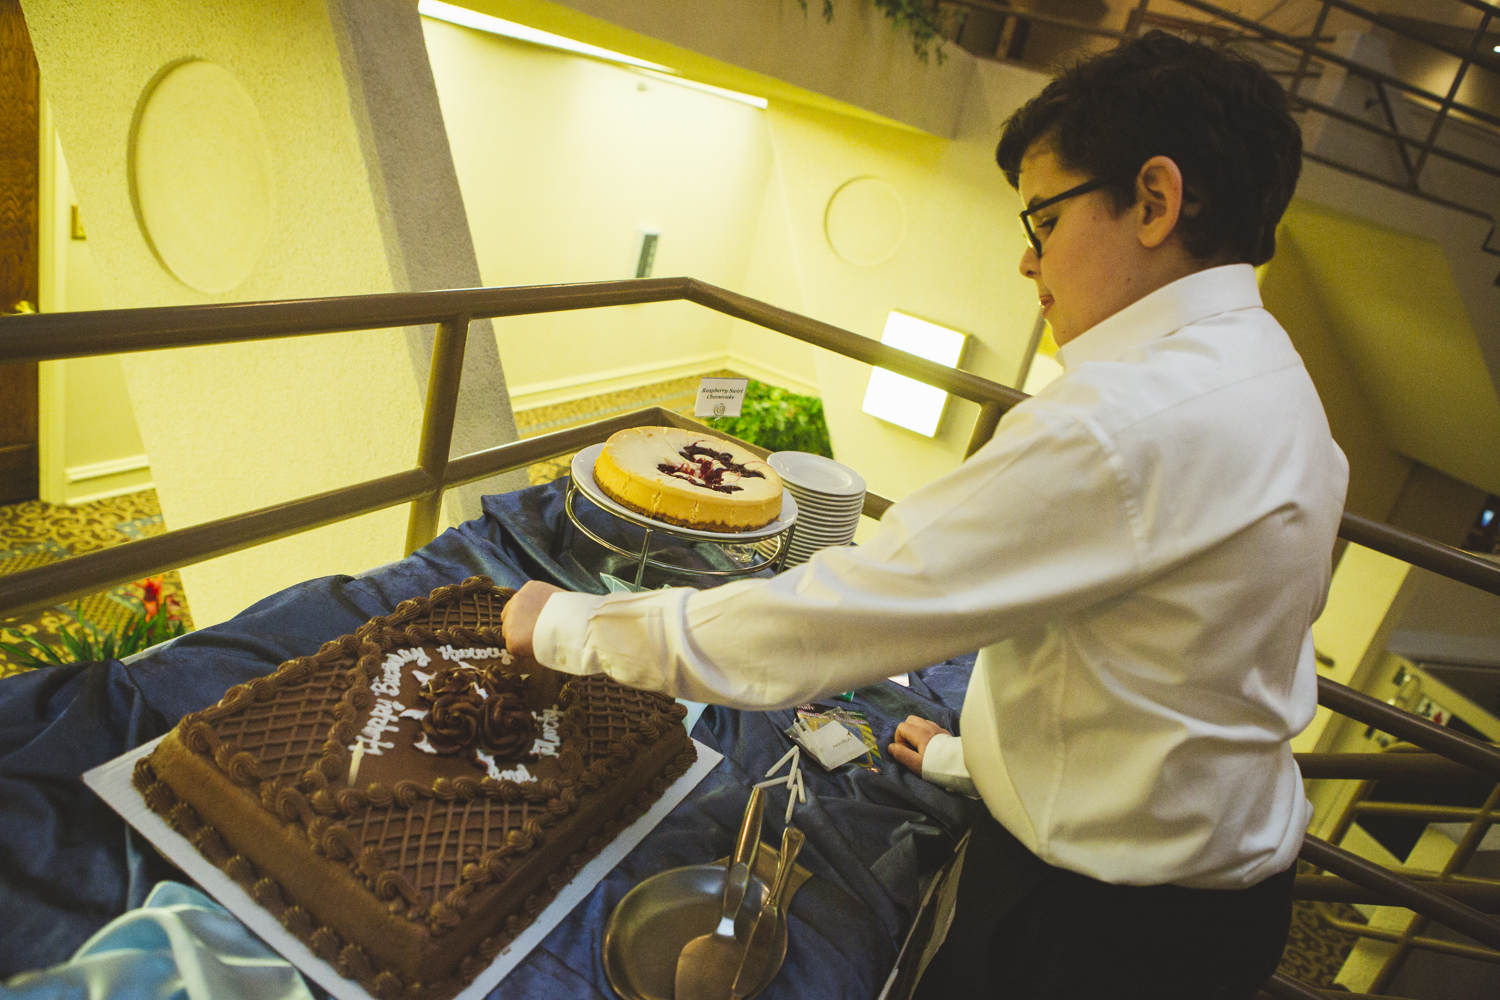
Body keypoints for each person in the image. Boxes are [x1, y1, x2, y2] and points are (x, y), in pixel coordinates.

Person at [502, 30, 1348, 1000]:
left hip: (1102, 931)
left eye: (1044, 219)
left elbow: (831, 617)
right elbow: (1180, 668)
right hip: (1224, 902)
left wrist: (566, 624)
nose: (1029, 263)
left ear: (1153, 200)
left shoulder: (1126, 423)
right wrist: (966, 756)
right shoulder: (1274, 375)